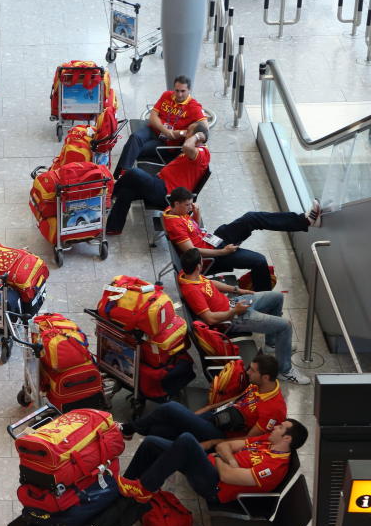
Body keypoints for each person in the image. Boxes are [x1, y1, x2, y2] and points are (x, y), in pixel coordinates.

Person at [177, 248, 310, 385]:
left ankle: (272, 344)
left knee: (277, 297)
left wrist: (238, 290)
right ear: (199, 266)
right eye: (201, 260)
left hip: (234, 303)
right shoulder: (192, 291)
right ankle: (285, 371)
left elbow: (210, 283)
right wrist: (235, 311)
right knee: (285, 326)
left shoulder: (188, 274)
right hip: (234, 319)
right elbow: (209, 318)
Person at [163, 186, 322, 291]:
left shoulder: (174, 211)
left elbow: (194, 231)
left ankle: (304, 221)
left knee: (251, 218)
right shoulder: (174, 225)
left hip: (213, 240)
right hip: (212, 256)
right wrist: (224, 252)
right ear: (177, 203)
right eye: (188, 205)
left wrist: (196, 215)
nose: (190, 208)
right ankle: (265, 301)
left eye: (191, 204)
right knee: (259, 261)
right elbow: (193, 251)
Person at [118, 419, 308, 505]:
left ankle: (144, 488)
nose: (275, 427)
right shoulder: (266, 440)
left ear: (287, 439)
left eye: (281, 428)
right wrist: (230, 460)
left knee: (186, 439)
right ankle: (126, 486)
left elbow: (226, 476)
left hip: (215, 487)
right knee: (151, 442)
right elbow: (224, 446)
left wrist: (220, 460)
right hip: (209, 468)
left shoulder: (274, 468)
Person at [120, 353, 287, 446]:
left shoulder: (273, 408)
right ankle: (134, 433)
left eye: (253, 371)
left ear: (265, 377)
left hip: (222, 433)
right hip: (216, 416)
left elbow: (248, 439)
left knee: (171, 408)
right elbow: (235, 400)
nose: (248, 372)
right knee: (160, 431)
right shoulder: (257, 385)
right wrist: (208, 408)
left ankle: (128, 429)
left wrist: (215, 442)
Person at [105, 122, 210, 235]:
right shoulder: (195, 151)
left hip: (166, 193)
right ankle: (113, 228)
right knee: (127, 191)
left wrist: (197, 136)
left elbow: (187, 146)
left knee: (134, 173)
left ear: (198, 137)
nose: (186, 133)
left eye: (189, 131)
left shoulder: (202, 154)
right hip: (159, 183)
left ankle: (109, 193)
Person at [115, 76, 207, 175]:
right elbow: (153, 117)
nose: (179, 94)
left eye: (183, 91)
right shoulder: (167, 95)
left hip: (167, 144)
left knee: (133, 148)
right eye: (177, 90)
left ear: (189, 90)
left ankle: (121, 175)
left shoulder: (194, 108)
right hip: (154, 131)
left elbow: (205, 130)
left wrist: (183, 133)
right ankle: (121, 174)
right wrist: (165, 131)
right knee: (134, 138)